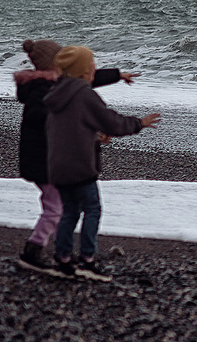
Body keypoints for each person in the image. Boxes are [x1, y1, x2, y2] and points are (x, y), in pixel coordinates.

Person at [13, 39, 135, 276]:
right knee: (56, 208)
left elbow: (82, 81)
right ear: (54, 65)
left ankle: (61, 254)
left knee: (61, 207)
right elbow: (65, 115)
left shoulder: (50, 85)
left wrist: (118, 75)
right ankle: (33, 252)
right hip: (43, 161)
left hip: (47, 159)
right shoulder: (43, 93)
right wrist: (92, 134)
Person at [44, 45, 160, 280]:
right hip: (80, 166)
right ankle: (87, 259)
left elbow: (73, 127)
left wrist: (94, 136)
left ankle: (63, 258)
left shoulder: (57, 93)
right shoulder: (84, 95)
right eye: (92, 64)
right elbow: (111, 122)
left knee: (69, 212)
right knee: (93, 209)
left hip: (57, 165)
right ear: (85, 71)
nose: (94, 67)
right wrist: (139, 123)